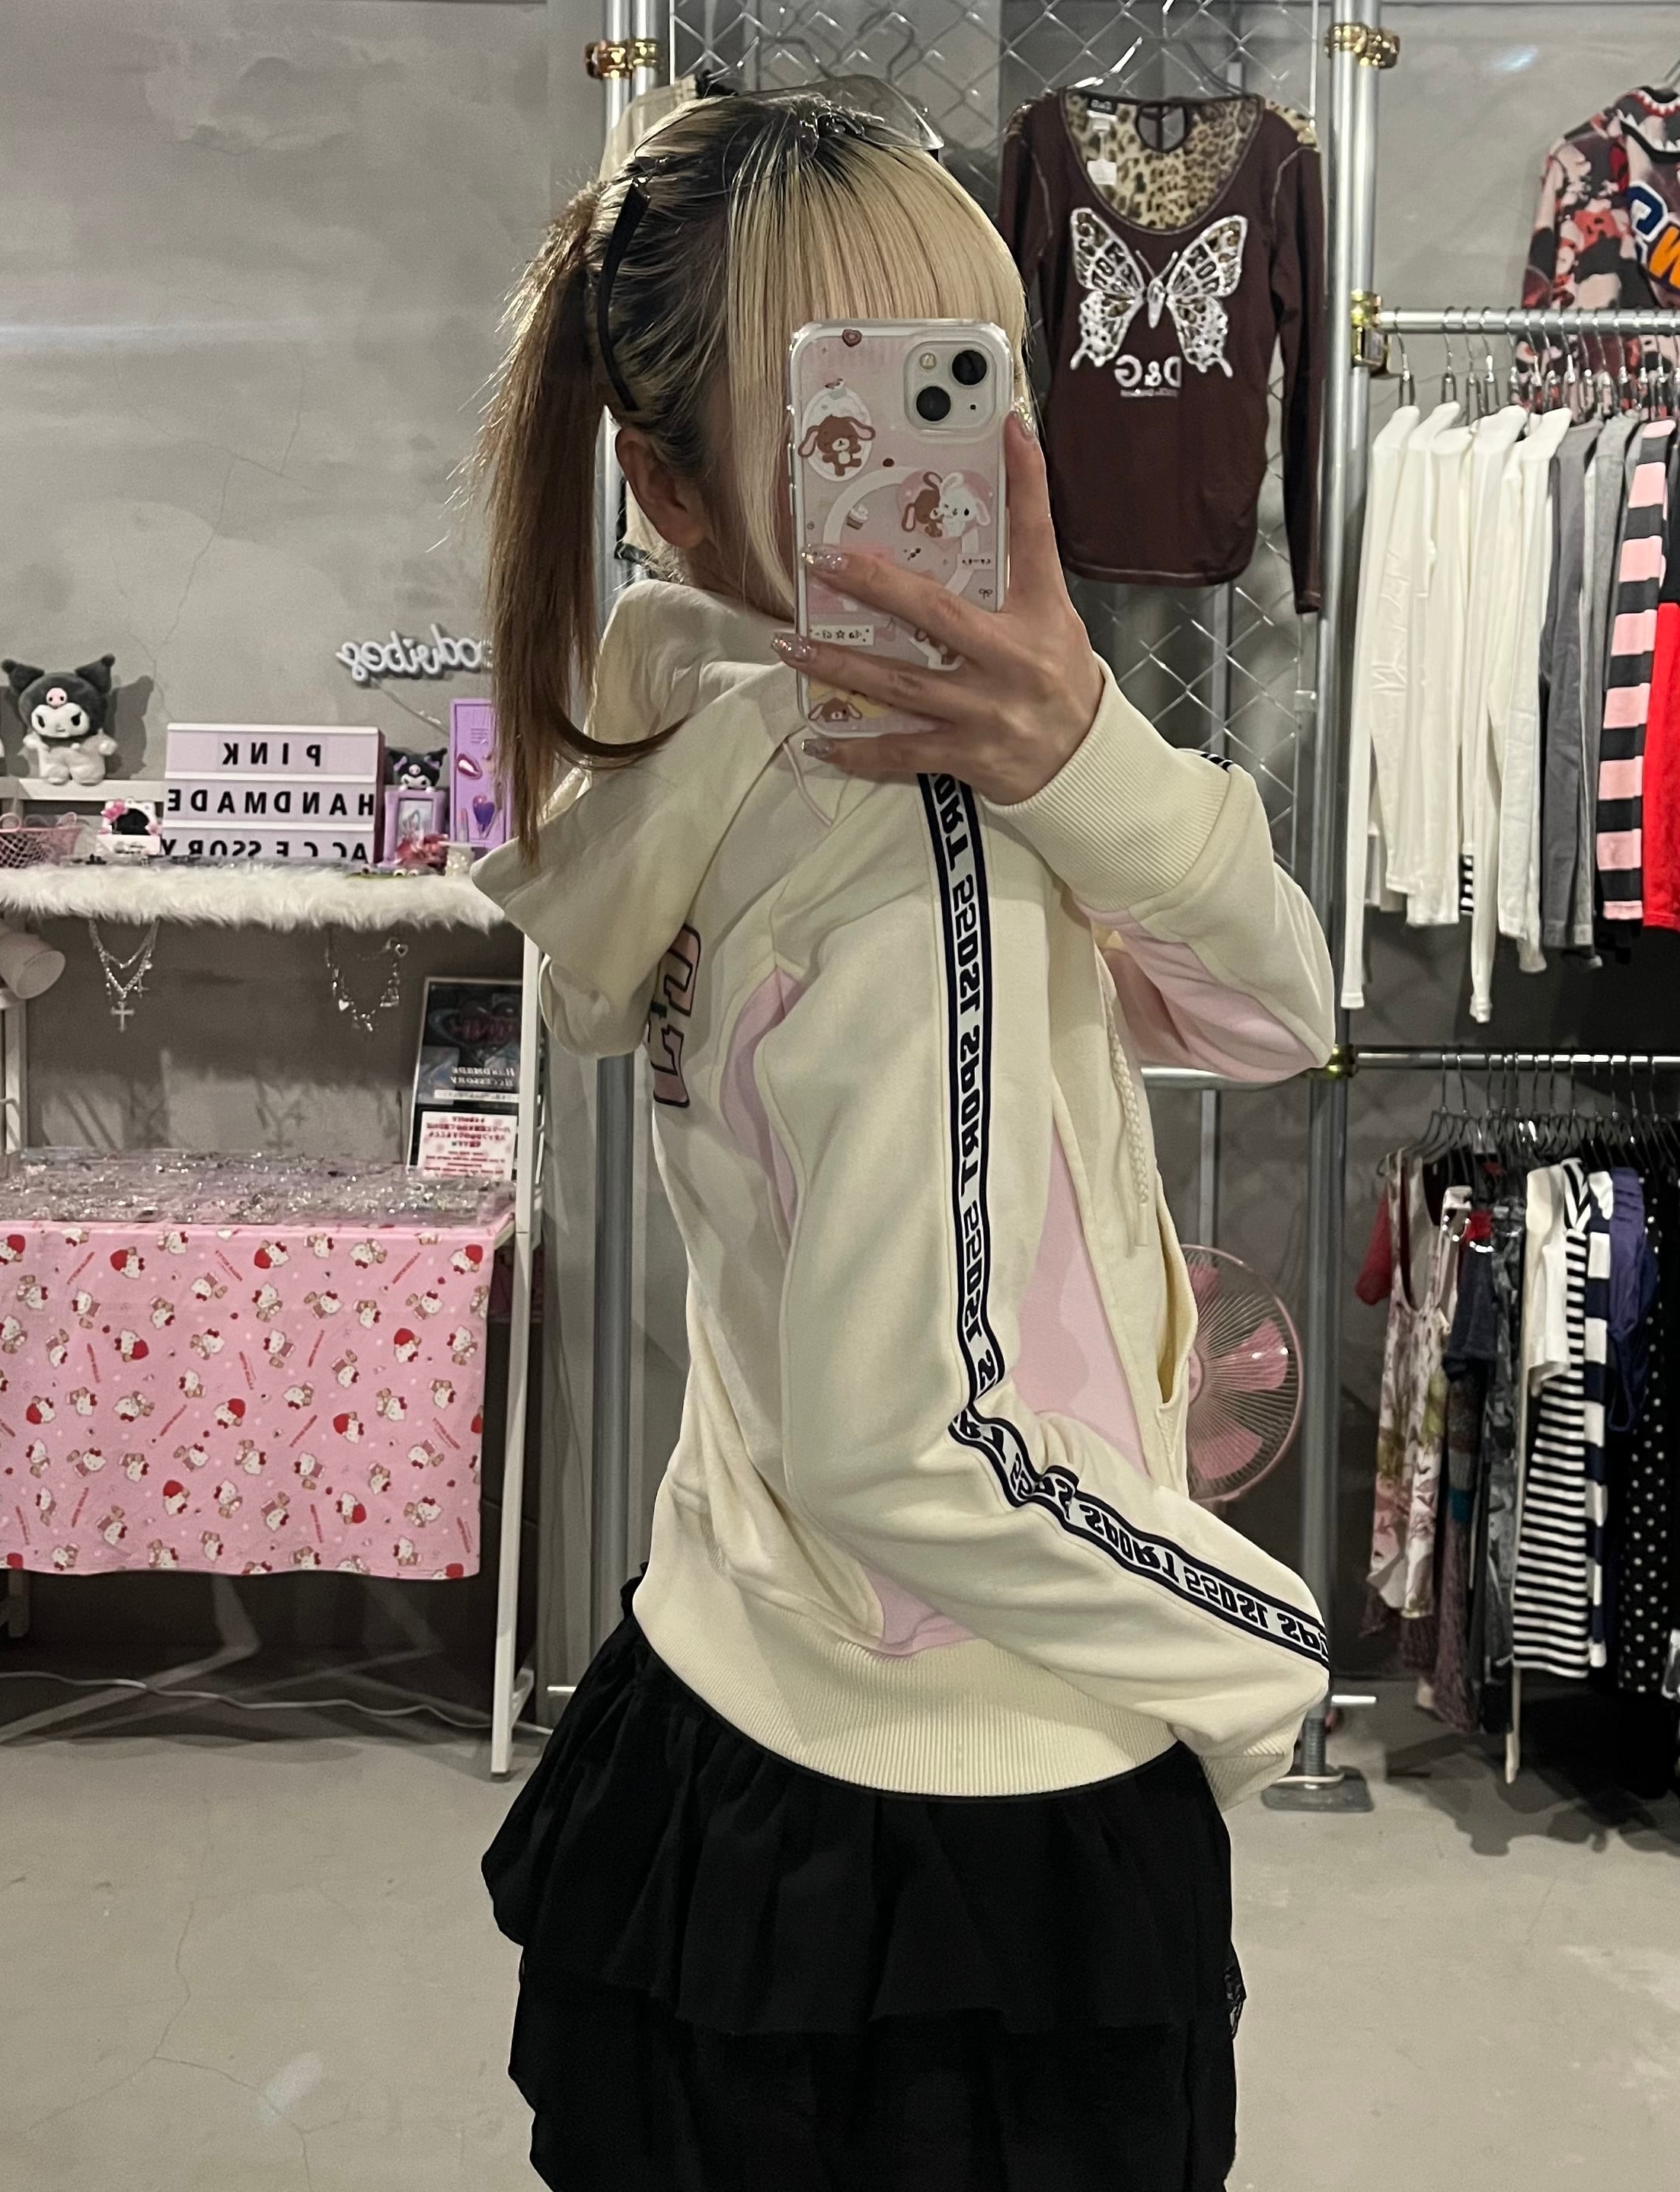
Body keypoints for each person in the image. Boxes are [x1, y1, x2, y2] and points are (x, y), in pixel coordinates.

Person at [472, 91, 1337, 2192]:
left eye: (979, 376)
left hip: (726, 1703)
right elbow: (913, 1438)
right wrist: (1257, 1652)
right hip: (970, 1796)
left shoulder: (706, 739)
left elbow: (1265, 1013)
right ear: (673, 491)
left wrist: (1079, 751)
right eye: (868, 407)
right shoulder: (908, 836)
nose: (969, 450)